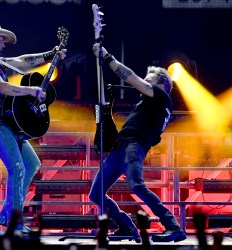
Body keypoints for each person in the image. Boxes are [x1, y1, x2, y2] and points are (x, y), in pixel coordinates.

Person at [0, 22, 66, 232]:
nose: (4, 42)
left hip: (6, 122)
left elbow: (21, 61)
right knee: (18, 168)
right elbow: (1, 86)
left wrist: (49, 55)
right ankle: (16, 224)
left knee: (31, 164)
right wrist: (30, 91)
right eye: (1, 38)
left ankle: (6, 216)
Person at [89, 43, 186, 243]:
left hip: (133, 147)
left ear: (161, 85)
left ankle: (173, 226)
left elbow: (132, 77)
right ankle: (126, 226)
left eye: (148, 82)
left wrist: (107, 57)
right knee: (96, 193)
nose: (143, 84)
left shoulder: (161, 97)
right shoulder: (148, 104)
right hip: (120, 147)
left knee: (137, 186)